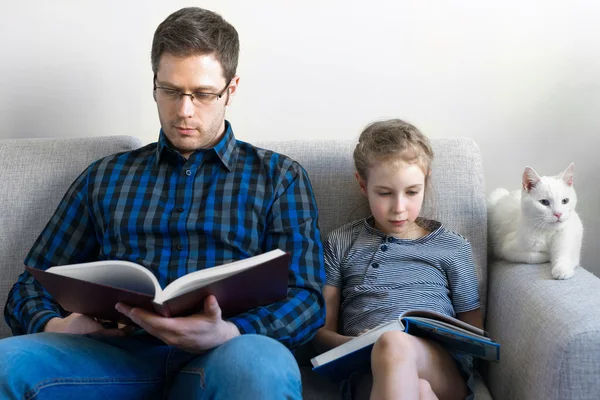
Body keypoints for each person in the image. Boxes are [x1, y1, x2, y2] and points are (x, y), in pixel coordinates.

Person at [1, 7, 325, 400]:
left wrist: (230, 331)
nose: (184, 110)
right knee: (6, 364)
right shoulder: (105, 176)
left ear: (231, 89)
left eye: (203, 94)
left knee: (259, 366)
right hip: (114, 358)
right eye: (170, 91)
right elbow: (31, 286)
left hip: (223, 355)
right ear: (154, 82)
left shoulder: (279, 177)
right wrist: (54, 325)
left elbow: (307, 299)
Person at [313, 119, 482, 400]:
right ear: (363, 184)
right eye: (385, 193)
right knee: (419, 391)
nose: (399, 208)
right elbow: (321, 333)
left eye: (412, 192)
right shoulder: (341, 242)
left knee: (394, 344)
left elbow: (474, 334)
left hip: (440, 368)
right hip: (366, 371)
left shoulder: (452, 247)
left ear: (426, 181)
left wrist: (395, 342)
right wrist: (358, 343)